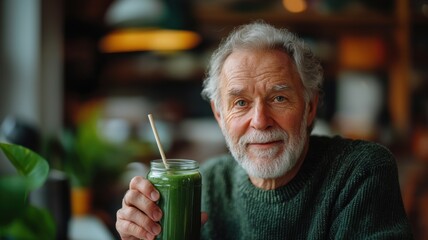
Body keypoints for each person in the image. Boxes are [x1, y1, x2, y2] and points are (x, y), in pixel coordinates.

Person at [115, 21, 413, 240]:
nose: (260, 120)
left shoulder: (360, 172)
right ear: (220, 116)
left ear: (310, 107)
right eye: (241, 102)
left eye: (279, 98)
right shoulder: (207, 186)